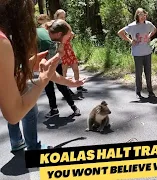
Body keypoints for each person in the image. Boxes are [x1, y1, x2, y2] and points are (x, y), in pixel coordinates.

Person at [0, 0, 84, 152]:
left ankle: (16, 141)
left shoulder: (41, 33)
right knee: (28, 107)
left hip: (15, 72)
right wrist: (49, 79)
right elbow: (49, 73)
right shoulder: (49, 42)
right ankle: (33, 147)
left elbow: (39, 67)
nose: (68, 41)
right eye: (68, 38)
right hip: (16, 74)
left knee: (13, 99)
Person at [39, 19, 81, 118]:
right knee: (49, 86)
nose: (69, 39)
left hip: (52, 63)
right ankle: (53, 109)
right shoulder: (48, 40)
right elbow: (48, 65)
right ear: (59, 34)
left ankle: (73, 106)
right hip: (46, 63)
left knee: (61, 85)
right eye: (67, 37)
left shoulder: (55, 36)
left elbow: (53, 61)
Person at [117, 8, 157, 99]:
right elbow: (120, 32)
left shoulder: (148, 24)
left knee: (148, 72)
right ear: (137, 16)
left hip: (147, 52)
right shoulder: (132, 26)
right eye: (141, 15)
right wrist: (130, 41)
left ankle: (150, 91)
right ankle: (138, 91)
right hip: (137, 53)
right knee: (139, 73)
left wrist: (149, 36)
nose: (143, 17)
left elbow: (154, 29)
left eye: (144, 15)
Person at [54, 9, 88, 94]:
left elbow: (70, 35)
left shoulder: (65, 26)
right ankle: (66, 88)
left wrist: (71, 36)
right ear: (57, 17)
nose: (63, 19)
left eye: (64, 17)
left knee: (75, 68)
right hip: (62, 50)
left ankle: (78, 86)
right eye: (61, 17)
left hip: (69, 49)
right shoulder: (55, 27)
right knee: (64, 70)